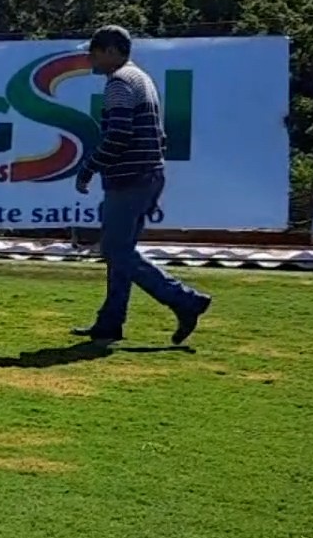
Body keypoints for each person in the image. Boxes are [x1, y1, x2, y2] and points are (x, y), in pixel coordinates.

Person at [71, 25, 213, 346]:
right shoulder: (141, 78)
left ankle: (184, 300)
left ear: (110, 51)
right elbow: (157, 136)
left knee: (115, 250)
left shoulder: (119, 83)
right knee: (121, 252)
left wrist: (89, 168)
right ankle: (109, 323)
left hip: (129, 179)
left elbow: (118, 136)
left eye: (93, 52)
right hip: (147, 175)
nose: (88, 59)